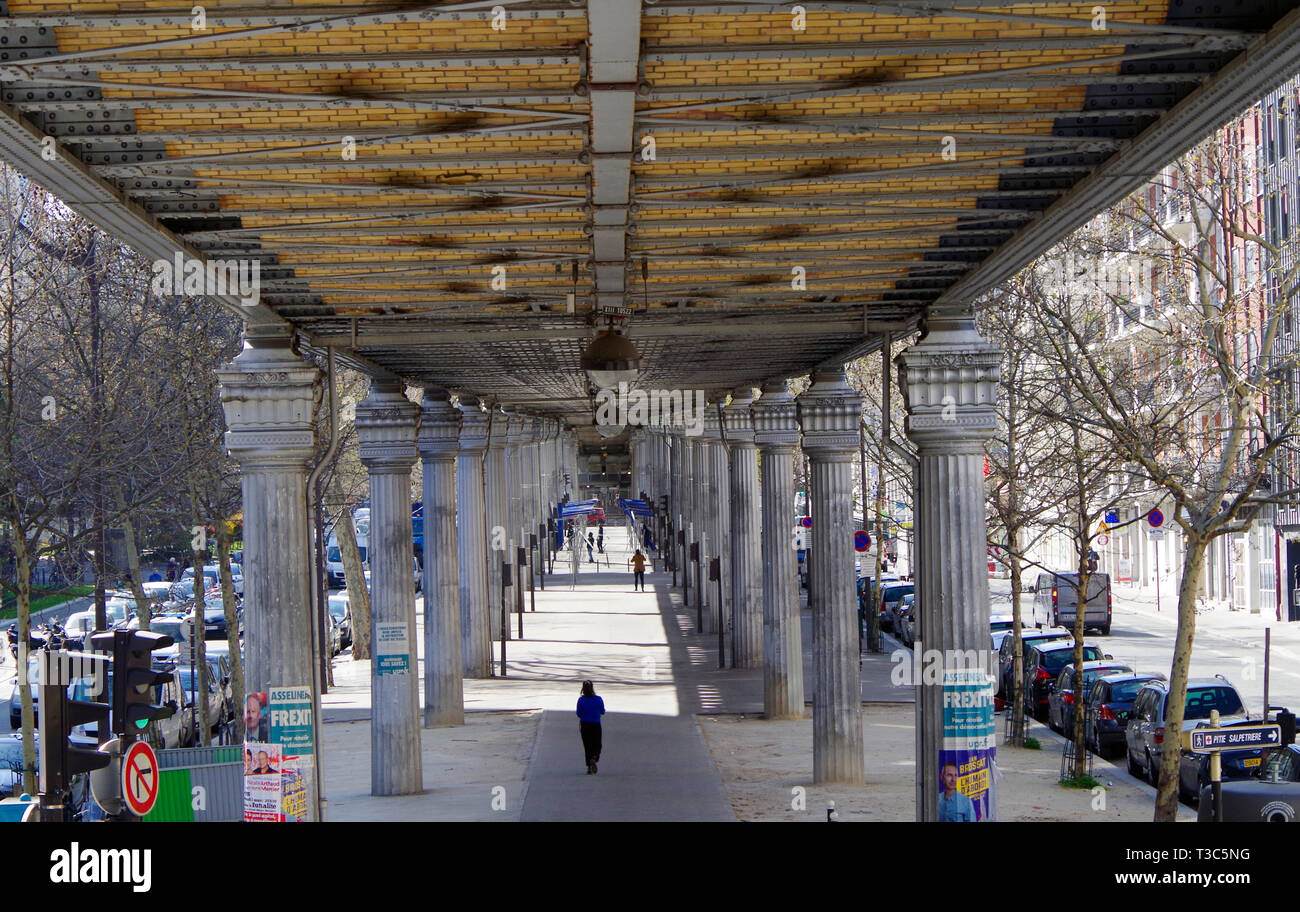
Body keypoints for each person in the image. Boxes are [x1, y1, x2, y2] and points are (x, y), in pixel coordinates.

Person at [576, 680, 605, 774]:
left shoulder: (581, 700)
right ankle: (594, 757)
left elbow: (578, 713)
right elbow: (602, 711)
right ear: (592, 688)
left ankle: (589, 767)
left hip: (585, 725)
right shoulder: (598, 699)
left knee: (587, 746)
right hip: (596, 725)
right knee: (597, 744)